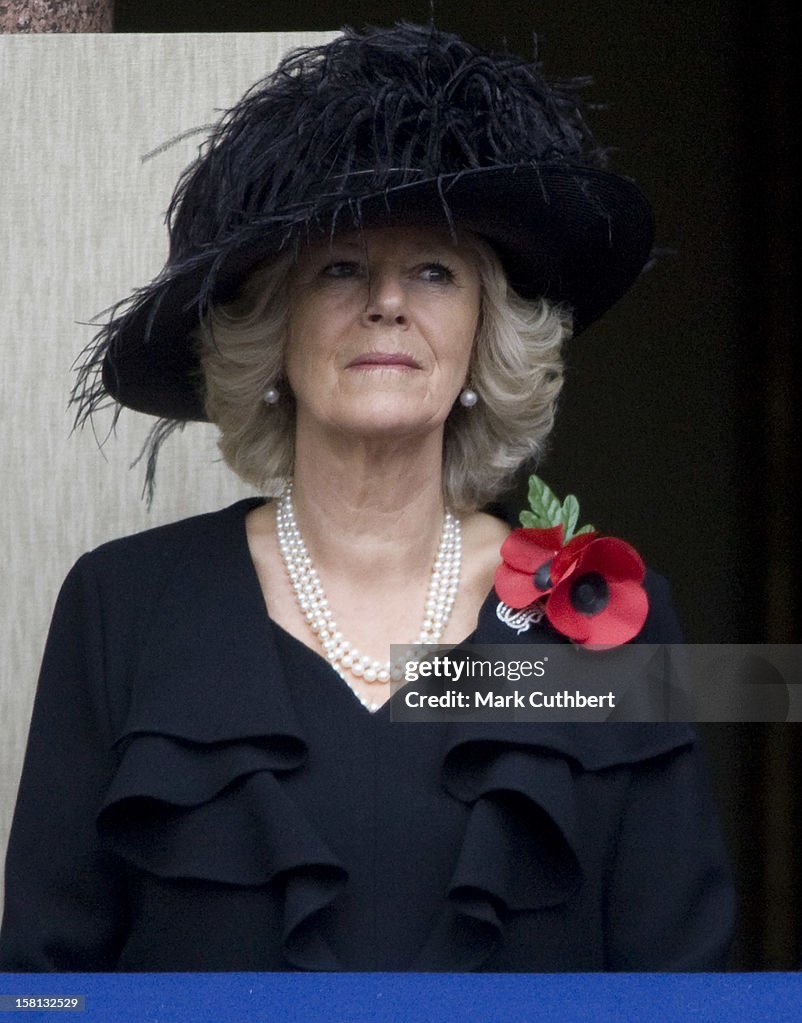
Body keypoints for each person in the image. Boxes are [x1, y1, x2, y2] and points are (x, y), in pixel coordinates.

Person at [0, 23, 733, 971]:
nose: (388, 301)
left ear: (484, 336)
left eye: (435, 270)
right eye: (340, 267)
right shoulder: (123, 607)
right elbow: (43, 989)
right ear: (275, 331)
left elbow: (683, 988)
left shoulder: (607, 619)